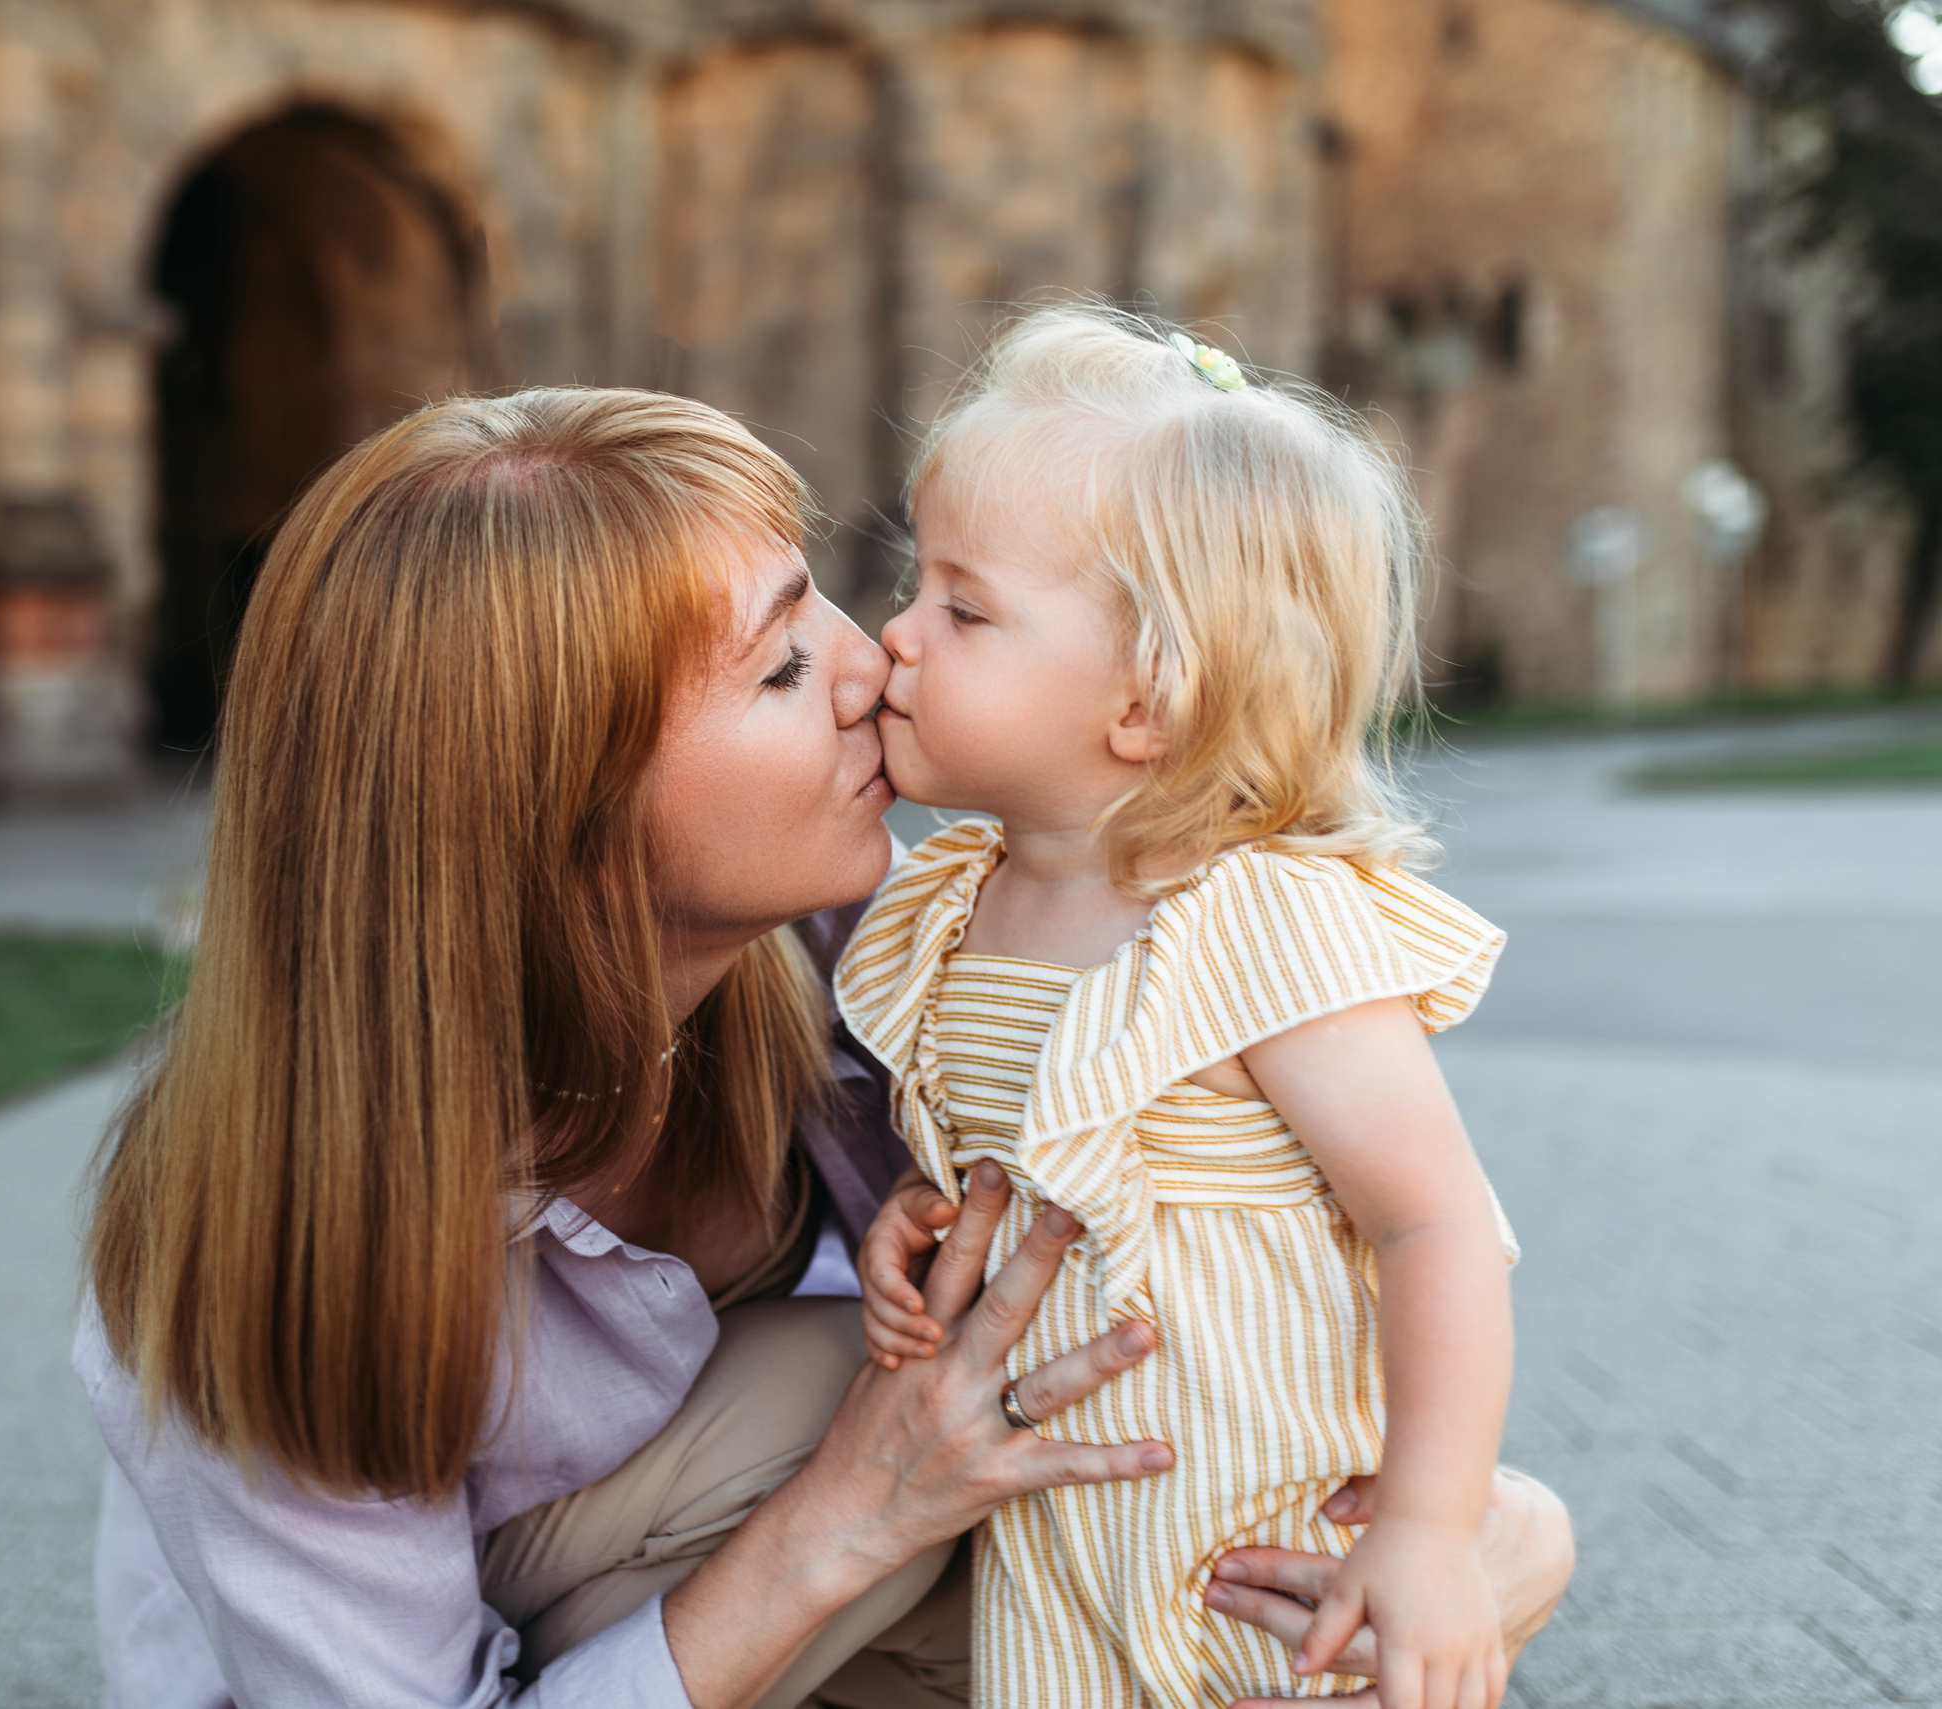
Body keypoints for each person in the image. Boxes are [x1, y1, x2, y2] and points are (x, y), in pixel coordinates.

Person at [79, 386, 1573, 1709]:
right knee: (826, 1392)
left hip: (827, 1583)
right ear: (558, 814)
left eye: (829, 607)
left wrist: (1449, 1532)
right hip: (595, 1636)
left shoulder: (893, 947)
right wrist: (855, 1511)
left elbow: (1295, 1265)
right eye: (782, 669)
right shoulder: (275, 1233)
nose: (872, 662)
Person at [840, 304, 1520, 1709]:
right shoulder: (953, 904)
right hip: (1061, 1545)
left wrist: (1432, 1532)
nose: (891, 637)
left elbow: (1435, 1220)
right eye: (918, 583)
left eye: (964, 609)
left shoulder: (1257, 922)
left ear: (1148, 698)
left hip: (1257, 1540)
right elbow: (1010, 1151)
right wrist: (924, 1213)